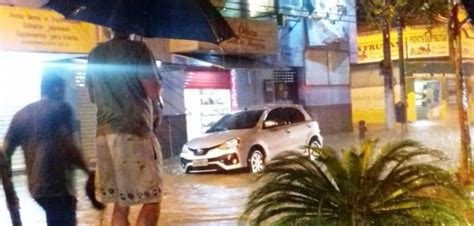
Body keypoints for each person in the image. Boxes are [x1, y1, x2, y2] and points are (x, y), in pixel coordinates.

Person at [86, 29, 163, 226]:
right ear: (132, 27)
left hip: (103, 135)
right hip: (134, 132)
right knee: (152, 198)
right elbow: (153, 90)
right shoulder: (139, 50)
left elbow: (92, 96)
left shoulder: (95, 54)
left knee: (121, 203)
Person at [0, 69, 92, 226]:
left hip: (36, 188)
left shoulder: (20, 115)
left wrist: (10, 194)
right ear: (57, 89)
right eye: (64, 89)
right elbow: (68, 145)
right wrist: (88, 171)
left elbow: (3, 154)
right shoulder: (61, 108)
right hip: (58, 186)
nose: (65, 94)